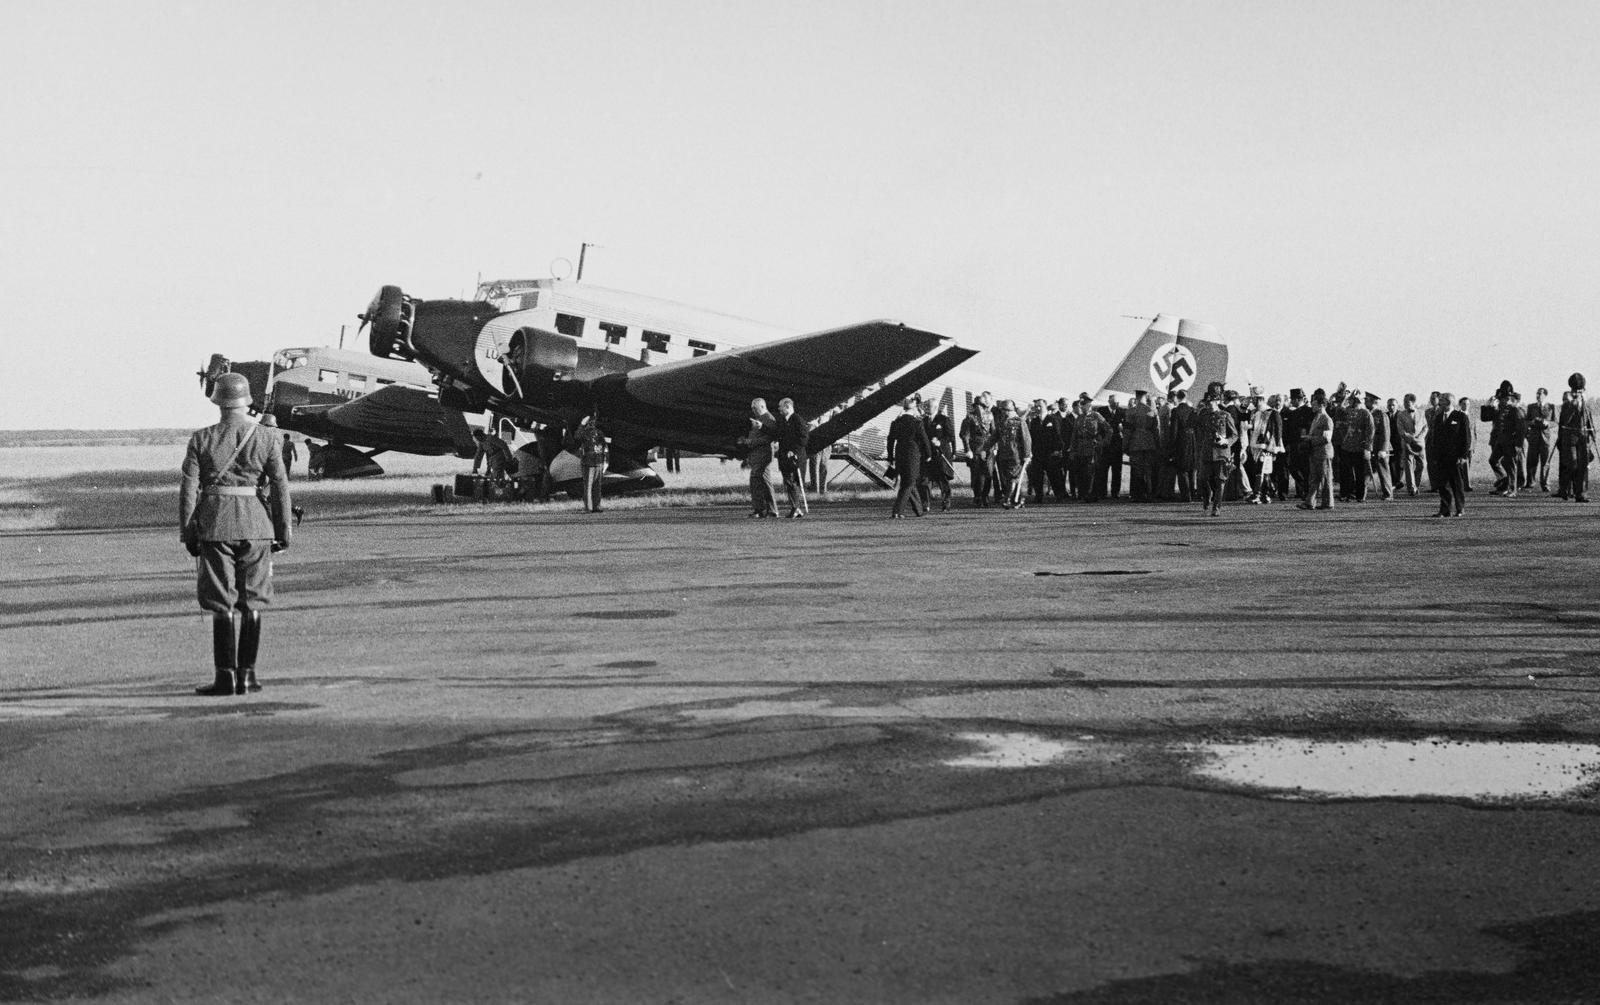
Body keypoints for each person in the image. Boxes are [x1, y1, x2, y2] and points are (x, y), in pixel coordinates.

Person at [179, 372, 292, 697]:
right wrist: (282, 530)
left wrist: (189, 532)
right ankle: (247, 676)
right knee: (253, 599)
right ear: (246, 401)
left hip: (215, 526)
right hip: (257, 526)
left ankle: (225, 677)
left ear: (218, 401)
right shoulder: (268, 438)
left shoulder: (201, 439)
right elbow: (281, 487)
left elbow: (188, 490)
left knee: (221, 601)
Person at [886, 398, 932, 518]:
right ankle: (897, 511)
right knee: (910, 483)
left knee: (908, 482)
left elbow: (890, 440)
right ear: (914, 409)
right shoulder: (917, 422)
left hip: (899, 452)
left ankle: (919, 510)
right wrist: (928, 454)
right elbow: (924, 439)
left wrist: (890, 457)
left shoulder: (896, 422)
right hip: (912, 454)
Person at [1557, 373, 1596, 502]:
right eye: (1576, 391)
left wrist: (1593, 435)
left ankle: (1581, 494)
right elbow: (1565, 421)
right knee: (1572, 464)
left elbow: (1589, 421)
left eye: (1581, 391)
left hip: (1584, 438)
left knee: (1583, 466)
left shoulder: (1587, 404)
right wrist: (1573, 405)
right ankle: (1564, 488)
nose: (1579, 393)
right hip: (1570, 438)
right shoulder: (1567, 405)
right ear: (1572, 391)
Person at [738, 398, 780, 517]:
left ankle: (771, 509)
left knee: (764, 481)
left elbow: (770, 437)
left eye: (754, 408)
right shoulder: (760, 418)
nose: (753, 410)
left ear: (762, 406)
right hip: (756, 455)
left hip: (764, 455)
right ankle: (760, 509)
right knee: (755, 482)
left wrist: (751, 442)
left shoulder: (768, 419)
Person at [1434, 392, 1470, 516]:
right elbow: (1435, 438)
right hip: (1441, 458)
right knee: (1442, 485)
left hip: (1455, 458)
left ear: (1449, 402)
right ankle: (1445, 510)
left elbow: (1466, 438)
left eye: (1442, 400)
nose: (1439, 402)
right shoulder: (1438, 417)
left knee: (1457, 484)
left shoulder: (1460, 417)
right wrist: (1435, 455)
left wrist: (1463, 456)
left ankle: (1460, 509)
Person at [1299, 390, 1335, 511]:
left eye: (1314, 404)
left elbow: (1327, 438)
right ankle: (1310, 502)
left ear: (1321, 405)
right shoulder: (1317, 418)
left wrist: (1310, 438)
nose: (1312, 406)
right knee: (1314, 478)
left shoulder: (1326, 419)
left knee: (1325, 478)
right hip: (1315, 452)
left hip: (1323, 453)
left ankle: (1328, 503)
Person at [1123, 390, 1160, 501]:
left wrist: (1125, 445)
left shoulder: (1131, 412)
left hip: (1135, 442)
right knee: (1148, 469)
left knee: (1137, 470)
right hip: (1149, 442)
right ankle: (1149, 494)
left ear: (1136, 397)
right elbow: (1156, 430)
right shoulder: (1152, 411)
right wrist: (1157, 444)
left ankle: (1137, 495)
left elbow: (1127, 431)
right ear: (1145, 397)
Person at [993, 400, 1032, 509]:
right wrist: (984, 449)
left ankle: (1008, 499)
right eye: (1002, 410)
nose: (1003, 413)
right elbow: (994, 437)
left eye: (1005, 410)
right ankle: (1018, 500)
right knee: (1010, 478)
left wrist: (1027, 454)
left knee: (1014, 477)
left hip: (1016, 455)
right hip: (1003, 455)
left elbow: (1026, 440)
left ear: (1011, 410)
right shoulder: (1001, 423)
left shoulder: (1019, 422)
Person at [776, 397, 810, 518]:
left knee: (793, 482)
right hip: (785, 457)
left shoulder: (797, 419)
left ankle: (796, 508)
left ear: (787, 407)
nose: (779, 408)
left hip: (796, 457)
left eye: (781, 406)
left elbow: (804, 438)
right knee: (789, 482)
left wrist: (794, 450)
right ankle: (796, 507)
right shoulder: (783, 420)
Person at [922, 398, 956, 512]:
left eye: (929, 406)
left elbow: (951, 436)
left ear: (935, 407)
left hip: (941, 454)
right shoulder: (923, 421)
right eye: (926, 406)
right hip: (928, 454)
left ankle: (946, 503)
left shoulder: (944, 419)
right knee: (925, 480)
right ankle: (926, 504)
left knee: (942, 480)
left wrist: (940, 441)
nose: (927, 408)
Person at [959, 399, 995, 507]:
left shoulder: (990, 416)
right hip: (975, 449)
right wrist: (967, 450)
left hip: (988, 449)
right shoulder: (970, 417)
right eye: (978, 406)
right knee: (977, 475)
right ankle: (978, 496)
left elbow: (993, 432)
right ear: (975, 406)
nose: (980, 408)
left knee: (988, 474)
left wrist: (995, 446)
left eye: (982, 406)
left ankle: (985, 496)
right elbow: (964, 435)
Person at [571, 414, 607, 512]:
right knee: (597, 486)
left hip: (588, 462)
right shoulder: (599, 433)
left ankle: (588, 507)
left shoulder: (585, 433)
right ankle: (597, 506)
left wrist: (581, 424)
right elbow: (605, 446)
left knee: (588, 486)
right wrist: (605, 460)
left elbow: (576, 436)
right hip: (599, 461)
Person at [1525, 387, 1556, 493]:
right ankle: (1530, 482)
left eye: (1540, 394)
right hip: (1533, 437)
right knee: (1531, 461)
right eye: (1537, 393)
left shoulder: (1551, 407)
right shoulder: (1531, 407)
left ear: (1545, 395)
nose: (1538, 396)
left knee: (1545, 461)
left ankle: (1545, 484)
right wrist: (1532, 422)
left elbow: (1555, 422)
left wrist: (1548, 423)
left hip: (1545, 438)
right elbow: (1526, 421)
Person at [1395, 394, 1424, 496]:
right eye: (1404, 402)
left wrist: (1419, 438)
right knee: (1408, 465)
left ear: (1413, 402)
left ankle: (1416, 484)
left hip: (1420, 443)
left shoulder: (1422, 413)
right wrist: (1410, 438)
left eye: (1407, 402)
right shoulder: (1401, 415)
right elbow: (1400, 430)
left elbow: (1426, 427)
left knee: (1422, 465)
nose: (1404, 404)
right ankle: (1412, 488)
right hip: (1407, 442)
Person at [1367, 392, 1394, 501]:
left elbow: (1386, 433)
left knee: (1383, 471)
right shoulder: (1368, 414)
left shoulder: (1381, 415)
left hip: (1380, 447)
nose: (1365, 402)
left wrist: (1383, 449)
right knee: (1367, 470)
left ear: (1373, 402)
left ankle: (1388, 494)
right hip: (1371, 447)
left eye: (1367, 400)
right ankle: (1361, 492)